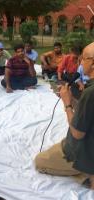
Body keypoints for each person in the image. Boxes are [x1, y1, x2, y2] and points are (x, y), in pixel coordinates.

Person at [35, 42, 94, 189]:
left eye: (83, 59)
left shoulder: (90, 92)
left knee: (39, 161)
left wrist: (67, 103)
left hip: (86, 151)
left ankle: (87, 174)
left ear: (92, 62)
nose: (80, 63)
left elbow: (77, 134)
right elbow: (87, 112)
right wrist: (70, 98)